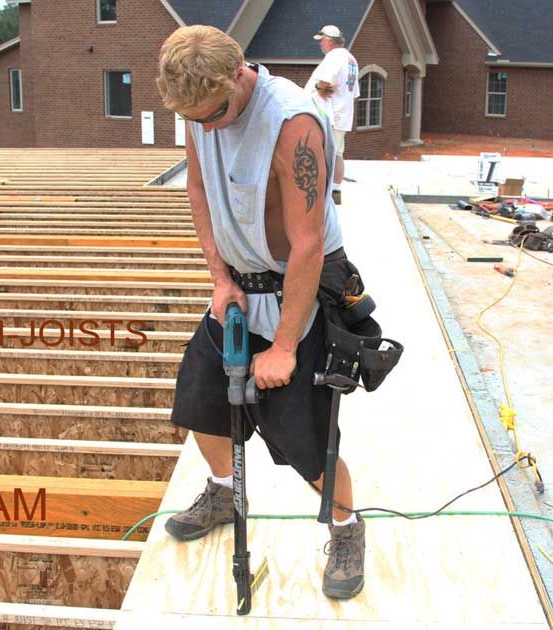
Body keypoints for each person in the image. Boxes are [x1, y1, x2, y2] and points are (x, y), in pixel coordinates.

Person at [156, 25, 366, 600]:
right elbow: (198, 192)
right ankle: (225, 490)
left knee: (302, 436)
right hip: (238, 286)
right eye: (195, 119)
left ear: (238, 74)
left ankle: (347, 528)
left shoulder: (292, 123)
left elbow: (307, 243)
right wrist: (219, 278)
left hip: (297, 287)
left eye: (215, 113)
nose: (207, 127)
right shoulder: (197, 112)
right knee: (199, 399)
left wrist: (285, 346)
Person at [304, 25, 359, 206]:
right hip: (342, 114)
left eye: (322, 40)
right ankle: (335, 190)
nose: (320, 44)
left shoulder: (335, 57)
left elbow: (325, 80)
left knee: (321, 152)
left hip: (329, 115)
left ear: (329, 40)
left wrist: (320, 88)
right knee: (337, 153)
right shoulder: (350, 59)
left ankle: (321, 192)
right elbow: (354, 93)